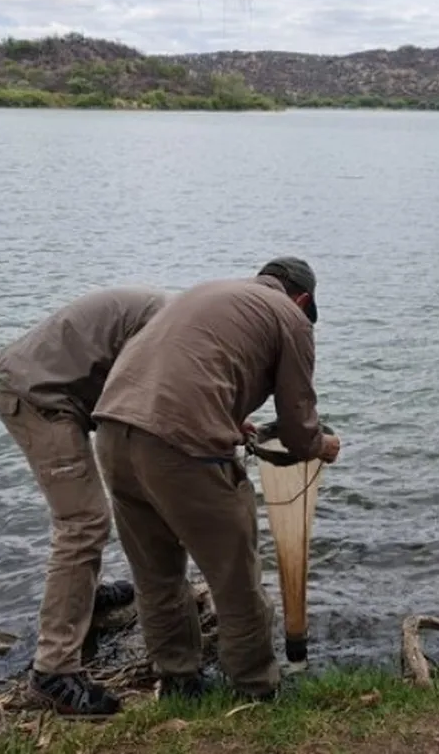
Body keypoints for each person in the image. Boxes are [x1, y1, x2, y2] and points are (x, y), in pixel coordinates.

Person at [91, 257, 341, 702]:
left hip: (112, 432)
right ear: (302, 299)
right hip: (181, 448)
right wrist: (323, 446)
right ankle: (257, 689)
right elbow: (300, 430)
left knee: (157, 574)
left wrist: (229, 420)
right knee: (235, 577)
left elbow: (187, 372)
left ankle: (179, 681)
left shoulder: (207, 292)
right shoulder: (291, 318)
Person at [0, 284, 170, 717]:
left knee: (89, 514)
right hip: (40, 400)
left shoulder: (166, 316)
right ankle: (53, 671)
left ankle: (81, 597)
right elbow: (137, 405)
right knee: (83, 522)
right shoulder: (161, 326)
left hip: (53, 393)